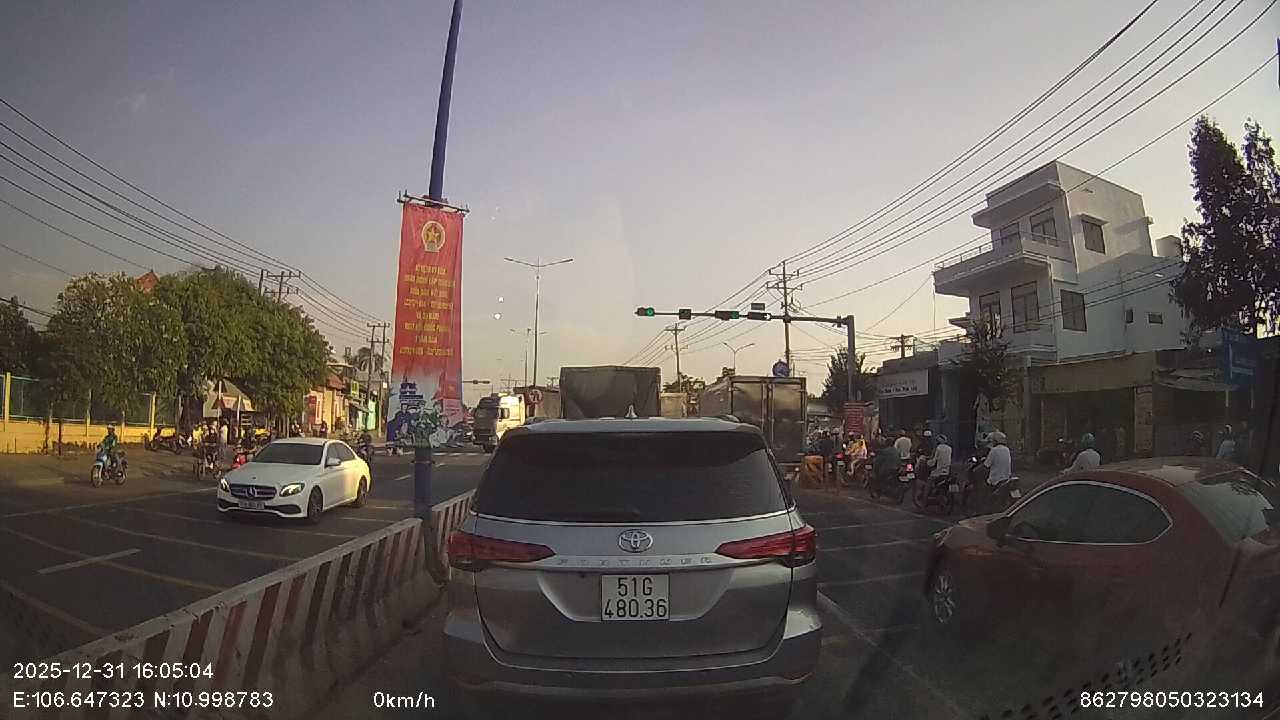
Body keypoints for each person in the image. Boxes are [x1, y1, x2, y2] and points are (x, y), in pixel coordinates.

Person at [981, 430, 1013, 509]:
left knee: (984, 489)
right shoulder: (1007, 449)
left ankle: (985, 508)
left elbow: (986, 465)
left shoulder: (994, 450)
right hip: (1006, 478)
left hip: (995, 480)